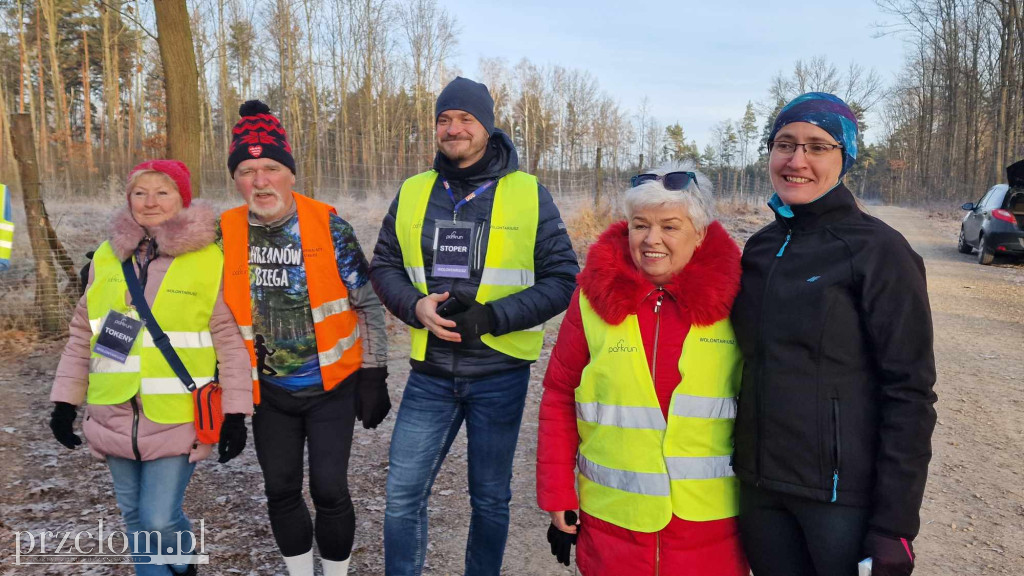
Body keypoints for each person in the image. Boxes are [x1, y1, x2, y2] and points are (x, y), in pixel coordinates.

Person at [370, 76, 579, 576]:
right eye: (444, 119)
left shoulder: (529, 193)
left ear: (487, 126)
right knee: (401, 495)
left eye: (465, 118)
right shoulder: (415, 191)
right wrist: (415, 307)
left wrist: (491, 318)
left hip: (500, 374)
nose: (453, 128)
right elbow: (383, 265)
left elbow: (563, 278)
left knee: (489, 499)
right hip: (430, 374)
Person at [730, 92, 937, 576]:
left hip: (840, 501)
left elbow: (910, 392)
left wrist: (895, 526)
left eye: (817, 146)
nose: (796, 160)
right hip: (760, 491)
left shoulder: (879, 251)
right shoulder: (760, 248)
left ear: (845, 159)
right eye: (785, 144)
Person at [536, 165, 750, 575]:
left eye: (670, 226)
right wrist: (558, 493)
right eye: (640, 225)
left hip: (711, 530)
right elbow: (560, 395)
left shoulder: (739, 301)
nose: (652, 240)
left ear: (700, 233)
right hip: (614, 526)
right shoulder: (590, 301)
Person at [49, 160, 253, 576]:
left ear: (182, 200)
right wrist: (64, 404)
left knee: (159, 519)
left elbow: (229, 342)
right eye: (140, 192)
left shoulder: (208, 259)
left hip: (178, 414)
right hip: (112, 411)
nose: (150, 201)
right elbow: (81, 334)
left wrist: (236, 413)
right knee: (134, 518)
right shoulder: (107, 257)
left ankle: (184, 560)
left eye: (163, 192)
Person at [219, 100, 390, 576]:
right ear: (236, 179)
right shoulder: (223, 233)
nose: (260, 180)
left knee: (330, 490)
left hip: (331, 389)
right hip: (267, 395)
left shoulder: (328, 226)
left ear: (290, 173)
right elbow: (176, 271)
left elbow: (368, 302)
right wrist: (125, 258)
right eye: (247, 170)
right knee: (280, 490)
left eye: (271, 167)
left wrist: (375, 372)